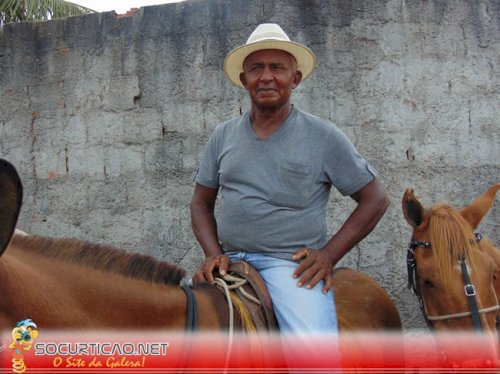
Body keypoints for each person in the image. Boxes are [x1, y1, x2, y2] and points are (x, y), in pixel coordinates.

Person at [190, 23, 390, 335]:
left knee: (314, 354)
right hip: (229, 262)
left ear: (294, 79)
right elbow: (201, 203)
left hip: (288, 268)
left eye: (277, 67)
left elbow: (375, 199)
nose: (266, 76)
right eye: (256, 68)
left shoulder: (323, 137)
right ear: (244, 80)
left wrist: (328, 255)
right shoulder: (222, 135)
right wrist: (213, 253)